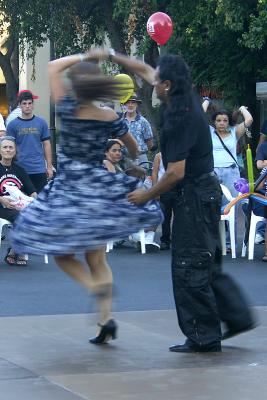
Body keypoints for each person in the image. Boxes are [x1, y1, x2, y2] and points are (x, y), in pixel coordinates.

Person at [94, 48, 256, 352]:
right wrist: (114, 56)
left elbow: (176, 172)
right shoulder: (182, 92)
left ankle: (203, 336)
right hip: (204, 192)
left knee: (189, 265)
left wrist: (146, 194)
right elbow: (145, 70)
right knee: (207, 264)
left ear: (167, 85)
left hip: (193, 194)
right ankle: (237, 316)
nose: (152, 85)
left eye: (158, 82)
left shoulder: (183, 115)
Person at [9, 52, 162, 343]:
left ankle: (95, 290)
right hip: (97, 189)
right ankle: (106, 319)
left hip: (68, 189)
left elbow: (53, 66)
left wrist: (87, 55)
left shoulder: (66, 107)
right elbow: (135, 150)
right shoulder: (110, 116)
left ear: (76, 86)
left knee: (62, 254)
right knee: (97, 258)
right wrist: (117, 136)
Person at [6, 90, 53, 192]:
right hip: (19, 169)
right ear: (20, 105)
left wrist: (49, 167)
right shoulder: (12, 125)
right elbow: (9, 148)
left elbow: (47, 145)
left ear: (33, 105)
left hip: (39, 169)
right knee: (21, 203)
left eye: (29, 103)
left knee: (40, 202)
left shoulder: (41, 123)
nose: (27, 106)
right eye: (24, 103)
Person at [0, 136, 37, 265]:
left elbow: (31, 190)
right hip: (2, 208)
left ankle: (15, 250)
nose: (8, 150)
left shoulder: (19, 170)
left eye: (11, 147)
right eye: (5, 147)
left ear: (15, 151)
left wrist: (34, 201)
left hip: (18, 206)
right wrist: (1, 199)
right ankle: (18, 250)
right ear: (0, 150)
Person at [152, 152, 176, 250]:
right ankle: (165, 240)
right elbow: (155, 172)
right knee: (165, 216)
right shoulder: (159, 155)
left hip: (177, 187)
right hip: (164, 188)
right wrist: (155, 190)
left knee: (179, 216)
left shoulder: (180, 153)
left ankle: (177, 239)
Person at [123, 94, 154, 164]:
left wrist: (140, 151)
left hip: (141, 157)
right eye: (128, 102)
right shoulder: (119, 121)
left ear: (137, 105)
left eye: (133, 102)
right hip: (123, 158)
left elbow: (150, 143)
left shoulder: (144, 122)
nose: (130, 105)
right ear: (124, 105)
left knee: (143, 174)